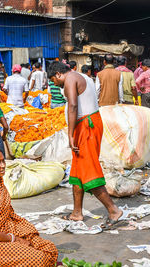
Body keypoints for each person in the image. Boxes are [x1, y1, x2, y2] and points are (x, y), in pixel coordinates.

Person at [48, 62, 123, 229]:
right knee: (78, 170)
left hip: (86, 126)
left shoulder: (70, 79)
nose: (54, 84)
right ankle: (77, 212)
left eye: (53, 80)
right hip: (90, 123)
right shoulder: (84, 77)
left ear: (59, 74)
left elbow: (73, 105)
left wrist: (70, 133)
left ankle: (113, 210)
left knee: (88, 171)